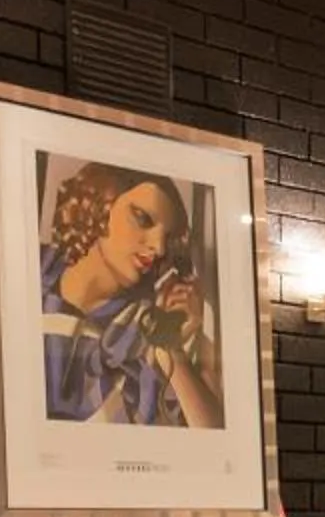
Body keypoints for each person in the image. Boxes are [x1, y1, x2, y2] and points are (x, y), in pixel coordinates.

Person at [37, 162, 220, 428]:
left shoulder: (157, 321)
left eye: (166, 238)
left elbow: (214, 438)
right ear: (99, 201)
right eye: (143, 218)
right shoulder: (30, 271)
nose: (157, 248)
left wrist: (171, 347)